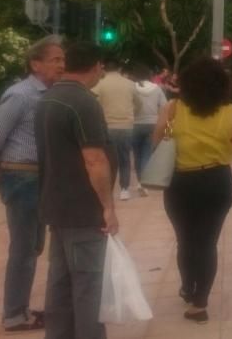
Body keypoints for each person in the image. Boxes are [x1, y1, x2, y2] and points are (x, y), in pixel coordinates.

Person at [154, 57, 232, 323]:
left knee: (185, 239)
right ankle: (200, 302)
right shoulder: (230, 111)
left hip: (180, 183)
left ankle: (187, 285)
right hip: (217, 182)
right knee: (207, 242)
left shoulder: (173, 108)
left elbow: (157, 139)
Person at [36, 41, 116, 339]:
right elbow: (94, 159)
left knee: (60, 283)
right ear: (95, 66)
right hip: (83, 210)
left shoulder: (48, 98)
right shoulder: (83, 102)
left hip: (56, 206)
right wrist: (107, 207)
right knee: (88, 288)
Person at [0, 36, 64, 333]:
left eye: (63, 60)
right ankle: (13, 315)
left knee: (33, 247)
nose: (62, 65)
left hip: (39, 179)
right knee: (24, 249)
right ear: (35, 64)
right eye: (55, 60)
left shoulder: (51, 94)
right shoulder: (20, 95)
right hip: (21, 178)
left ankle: (20, 308)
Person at [94, 60, 143, 200]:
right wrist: (132, 114)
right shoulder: (129, 84)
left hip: (107, 126)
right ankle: (125, 189)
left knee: (107, 160)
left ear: (104, 69)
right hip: (126, 126)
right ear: (120, 68)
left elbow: (92, 101)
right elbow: (139, 104)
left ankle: (107, 190)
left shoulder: (100, 84)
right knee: (124, 158)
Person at [131, 63, 167, 182]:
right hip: (152, 124)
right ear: (149, 75)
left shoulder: (131, 87)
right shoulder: (156, 88)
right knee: (147, 153)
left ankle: (140, 179)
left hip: (134, 124)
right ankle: (144, 181)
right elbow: (164, 106)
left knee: (137, 154)